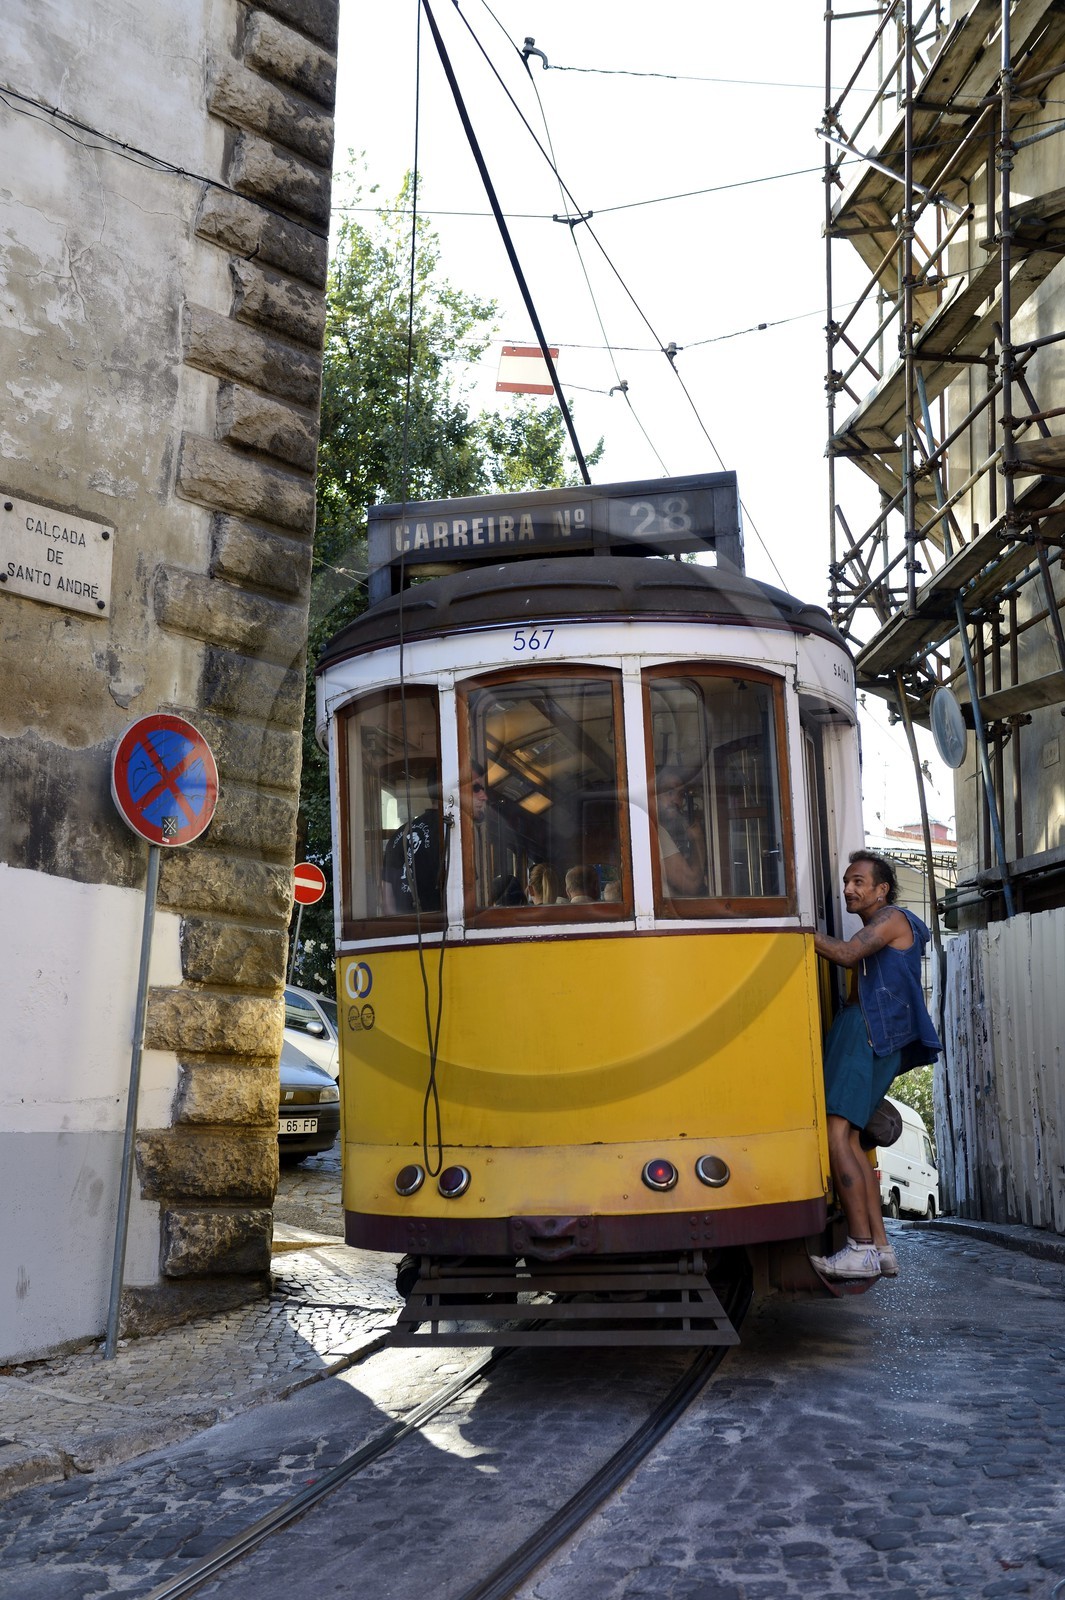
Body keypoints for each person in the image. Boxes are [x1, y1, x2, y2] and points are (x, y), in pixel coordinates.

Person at [810, 851, 941, 1282]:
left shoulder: (892, 919)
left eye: (859, 881)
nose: (849, 889)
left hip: (864, 1031)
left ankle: (860, 1247)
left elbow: (848, 955)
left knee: (835, 1136)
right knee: (852, 1141)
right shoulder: (886, 924)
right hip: (875, 1034)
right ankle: (880, 1249)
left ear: (882, 889)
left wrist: (795, 930)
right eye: (847, 882)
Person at [382, 761, 487, 913]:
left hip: (404, 933)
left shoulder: (397, 837)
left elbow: (387, 903)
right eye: (475, 788)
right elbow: (468, 897)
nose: (484, 797)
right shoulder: (459, 831)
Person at [655, 766, 707, 896]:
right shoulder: (656, 833)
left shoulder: (666, 829)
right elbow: (691, 884)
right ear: (654, 795)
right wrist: (698, 839)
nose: (676, 801)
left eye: (681, 795)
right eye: (669, 792)